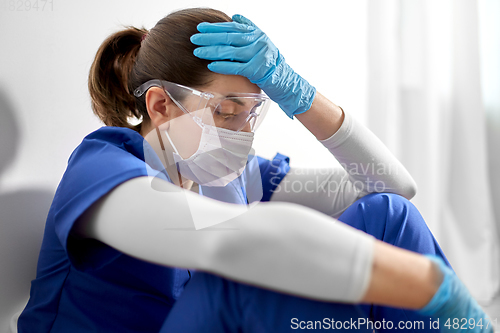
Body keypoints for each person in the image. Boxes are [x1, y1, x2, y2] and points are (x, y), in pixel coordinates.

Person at [17, 7, 492, 333]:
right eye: (226, 111)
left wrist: (298, 94)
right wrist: (428, 287)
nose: (243, 131)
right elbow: (235, 243)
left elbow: (393, 190)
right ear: (160, 104)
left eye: (252, 112)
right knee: (239, 276)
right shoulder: (104, 168)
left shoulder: (229, 174)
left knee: (386, 214)